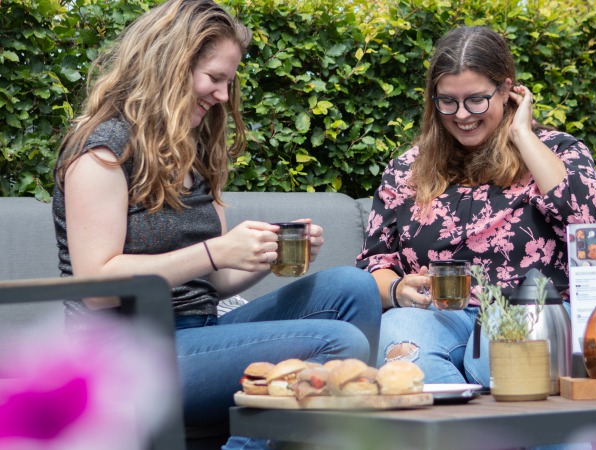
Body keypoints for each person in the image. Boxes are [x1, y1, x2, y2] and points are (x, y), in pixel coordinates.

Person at [50, 0, 381, 448]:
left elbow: (216, 281)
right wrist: (213, 251)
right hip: (122, 358)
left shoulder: (196, 149)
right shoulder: (104, 152)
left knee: (352, 288)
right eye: (215, 79)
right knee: (338, 343)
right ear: (169, 67)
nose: (224, 95)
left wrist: (264, 252)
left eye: (229, 81)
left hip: (198, 335)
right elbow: (95, 286)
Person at [356, 25, 596, 387]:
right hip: (433, 312)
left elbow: (589, 221)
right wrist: (399, 290)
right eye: (447, 101)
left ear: (507, 90)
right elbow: (375, 263)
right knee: (408, 359)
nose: (462, 114)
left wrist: (523, 135)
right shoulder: (406, 169)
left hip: (531, 314)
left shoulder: (555, 151)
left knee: (499, 369)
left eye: (476, 99)